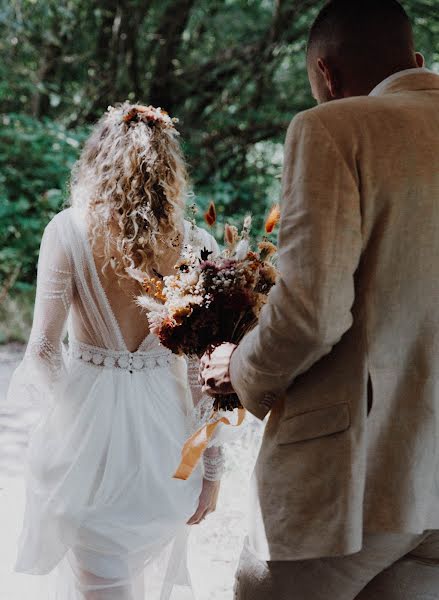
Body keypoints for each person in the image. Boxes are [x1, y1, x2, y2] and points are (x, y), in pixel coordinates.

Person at [200, 0, 439, 598]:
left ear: (327, 75)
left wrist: (243, 367)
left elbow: (311, 313)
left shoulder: (332, 127)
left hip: (351, 483)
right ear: (415, 60)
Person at [7, 103, 224, 600]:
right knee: (126, 579)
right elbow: (202, 372)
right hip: (164, 436)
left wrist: (69, 422)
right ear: (171, 167)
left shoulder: (67, 232)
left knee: (101, 584)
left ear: (97, 160)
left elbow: (42, 350)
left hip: (86, 430)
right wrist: (210, 468)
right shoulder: (198, 244)